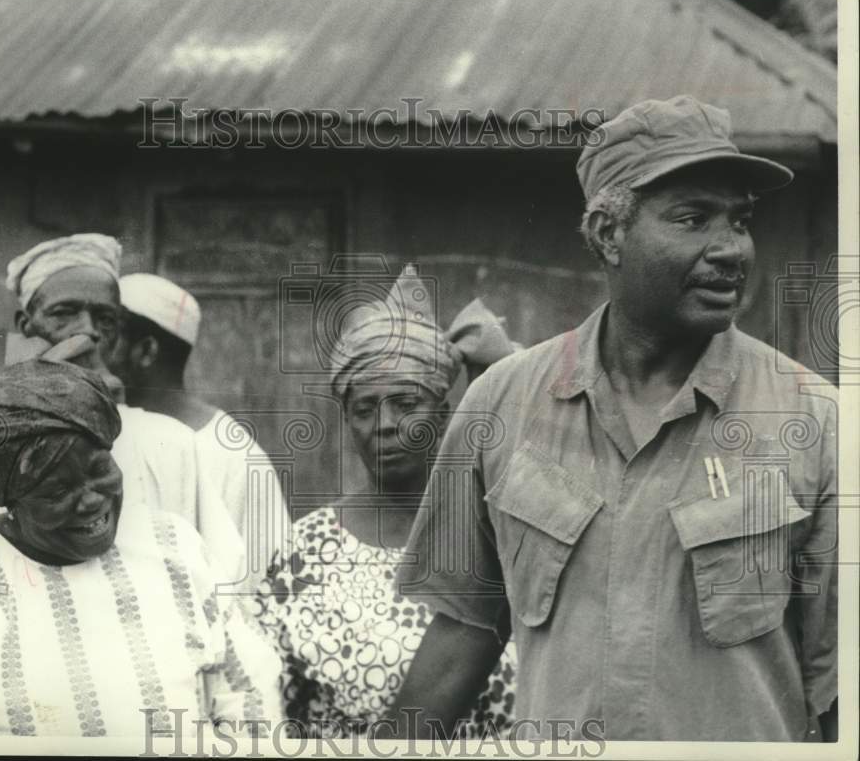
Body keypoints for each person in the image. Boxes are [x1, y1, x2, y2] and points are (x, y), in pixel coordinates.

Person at [387, 96, 838, 742]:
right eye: (693, 218)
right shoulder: (500, 406)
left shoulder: (815, 423)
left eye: (739, 220)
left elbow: (839, 684)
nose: (731, 248)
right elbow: (463, 630)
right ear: (608, 234)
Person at [0, 234, 261, 634]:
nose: (88, 331)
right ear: (25, 325)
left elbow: (227, 597)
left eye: (106, 319)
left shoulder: (172, 445)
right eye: (64, 313)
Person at [0, 359, 281, 736]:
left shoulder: (175, 545)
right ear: (9, 498)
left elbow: (247, 689)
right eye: (58, 490)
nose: (92, 500)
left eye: (99, 470)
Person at [254, 267, 519, 737]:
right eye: (364, 408)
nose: (384, 423)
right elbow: (272, 709)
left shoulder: (497, 536)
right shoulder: (305, 553)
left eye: (405, 403)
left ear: (442, 414)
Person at [109, 273, 292, 571]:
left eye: (108, 334)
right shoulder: (111, 433)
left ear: (146, 351)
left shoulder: (233, 454)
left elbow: (266, 575)